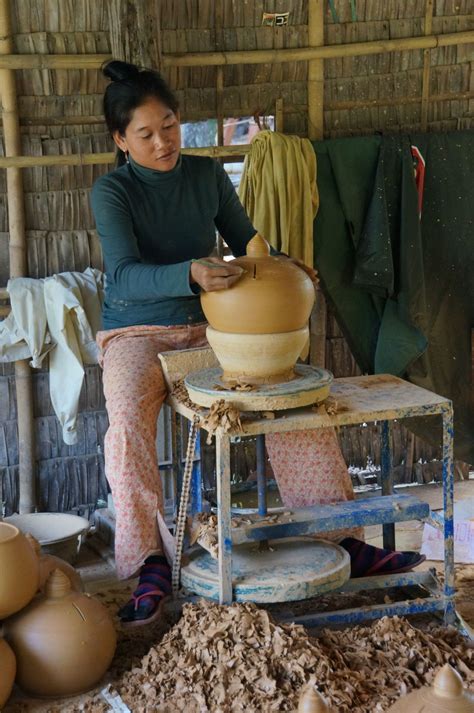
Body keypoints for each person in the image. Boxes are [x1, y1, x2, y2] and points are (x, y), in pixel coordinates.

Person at [92, 60, 425, 627]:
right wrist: (192, 272)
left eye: (169, 125)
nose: (162, 141)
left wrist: (280, 265)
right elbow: (121, 274)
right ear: (121, 140)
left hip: (212, 329)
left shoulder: (205, 176)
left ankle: (343, 539)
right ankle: (148, 562)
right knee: (124, 422)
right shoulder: (113, 190)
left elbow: (247, 238)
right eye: (145, 134)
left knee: (291, 392)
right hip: (137, 331)